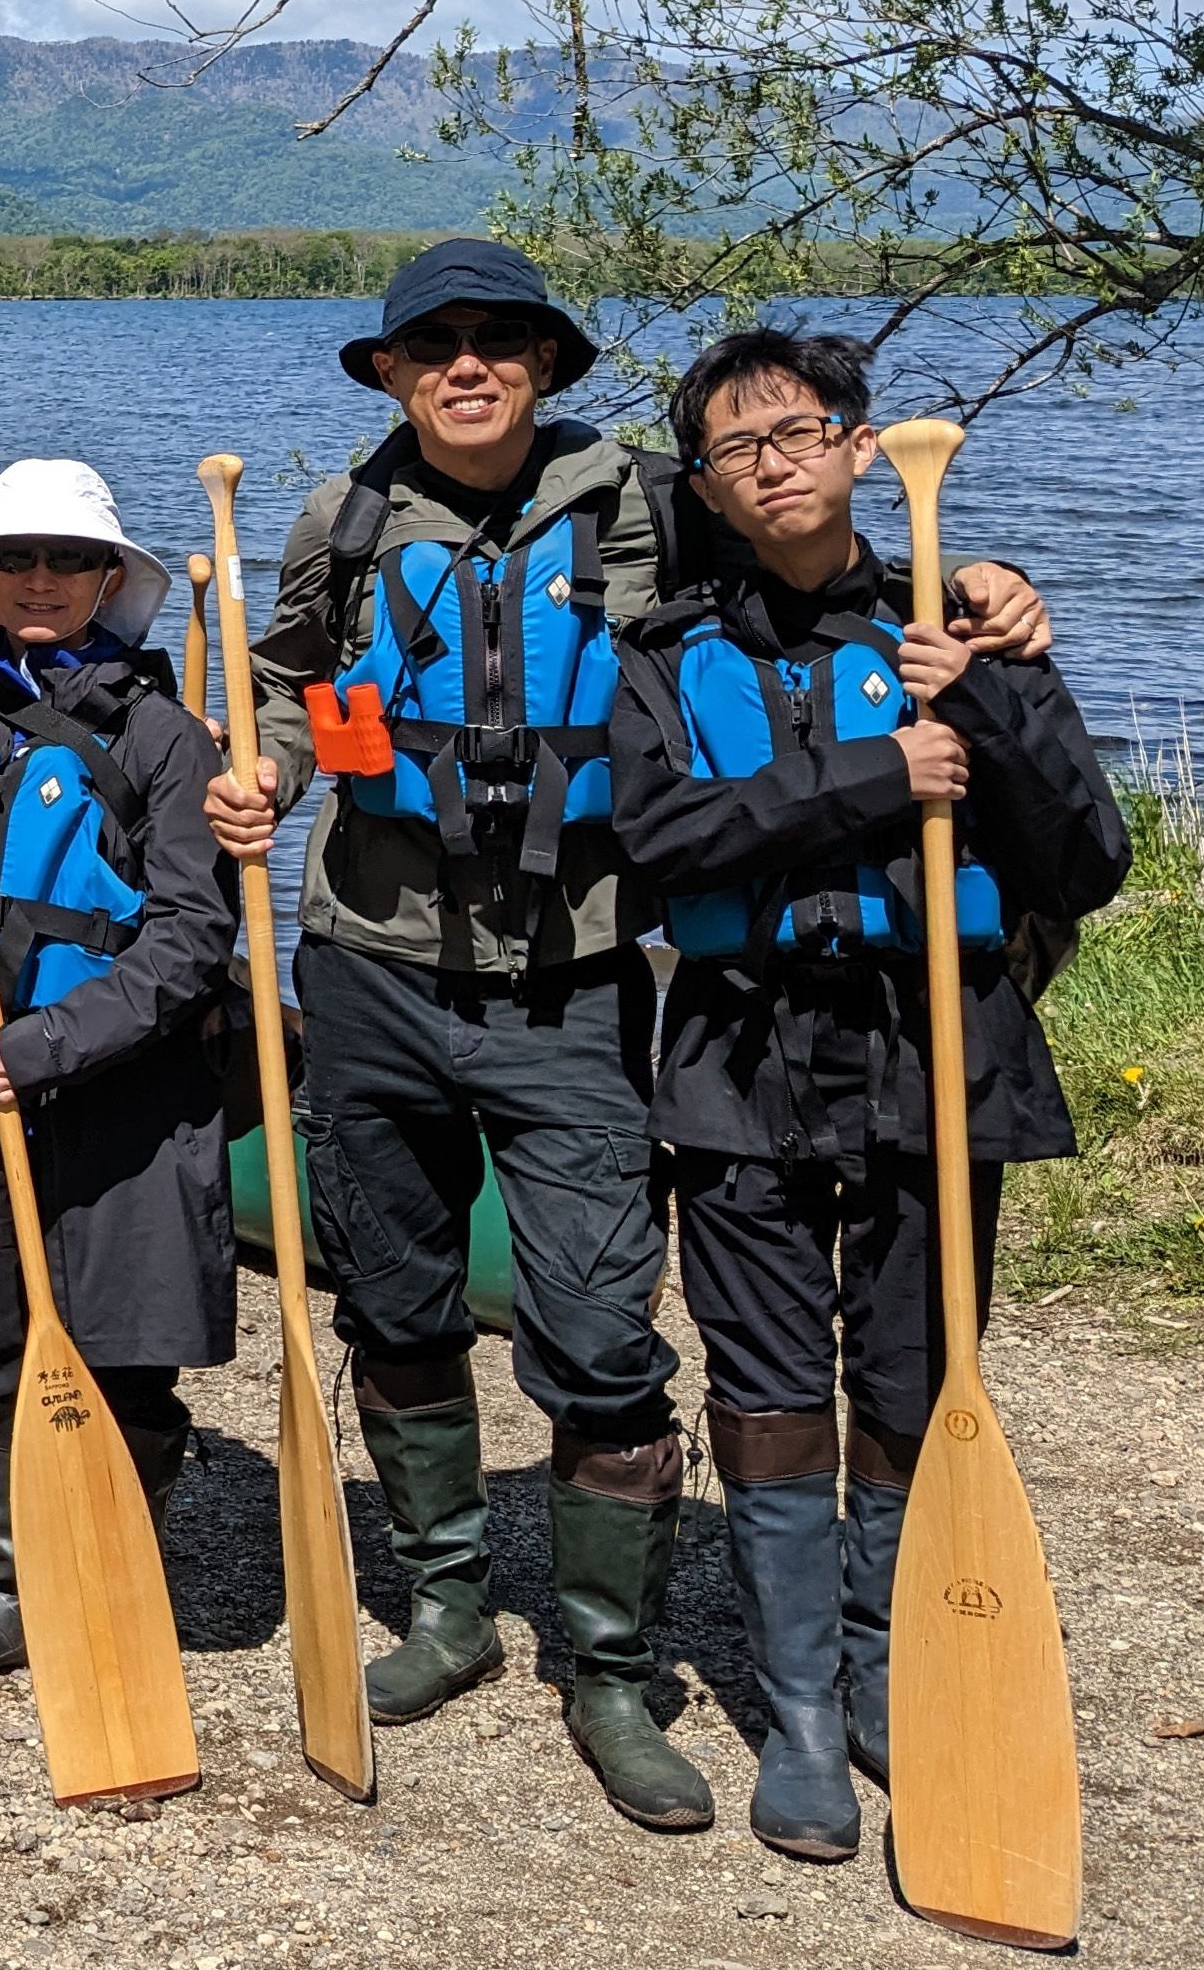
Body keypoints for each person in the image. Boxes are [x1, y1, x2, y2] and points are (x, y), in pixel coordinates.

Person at [202, 237, 1048, 1829]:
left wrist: (984, 585)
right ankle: (449, 1604)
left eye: (501, 340)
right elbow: (278, 684)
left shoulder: (652, 500)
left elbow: (814, 566)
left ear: (546, 363)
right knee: (395, 1302)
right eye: (433, 343)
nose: (468, 364)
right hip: (371, 972)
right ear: (388, 372)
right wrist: (251, 776)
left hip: (575, 975)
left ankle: (610, 1665)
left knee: (600, 1338)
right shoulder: (337, 519)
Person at [612, 329, 1122, 1863]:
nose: (770, 460)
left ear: (851, 447)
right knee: (769, 1389)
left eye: (798, 430)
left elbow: (1084, 863)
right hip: (739, 1068)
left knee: (908, 1378)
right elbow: (655, 846)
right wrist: (872, 772)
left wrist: (997, 704)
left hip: (932, 1060)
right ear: (704, 479)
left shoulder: (954, 629)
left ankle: (885, 1662)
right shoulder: (663, 645)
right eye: (733, 445)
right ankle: (806, 1714)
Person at [0, 460, 240, 1691]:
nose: (37, 579)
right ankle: (8, 1590)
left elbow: (189, 940)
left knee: (121, 1355)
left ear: (106, 580)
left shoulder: (165, 737)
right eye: (11, 558)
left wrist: (47, 1046)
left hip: (110, 1097)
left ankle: (113, 1573)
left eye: (65, 560)